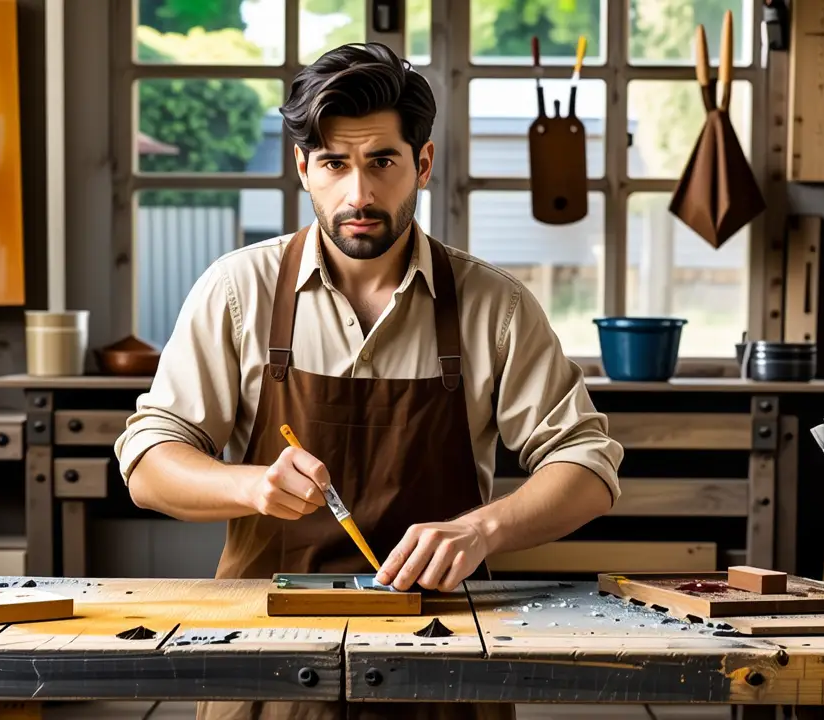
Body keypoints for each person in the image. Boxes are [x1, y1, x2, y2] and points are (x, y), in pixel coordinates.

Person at [115, 42, 624, 720]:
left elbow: (588, 466)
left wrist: (483, 530)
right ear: (303, 167)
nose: (360, 193)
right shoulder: (238, 290)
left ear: (423, 163)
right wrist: (253, 485)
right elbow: (148, 463)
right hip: (266, 656)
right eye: (334, 163)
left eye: (382, 161)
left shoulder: (493, 305)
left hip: (445, 664)